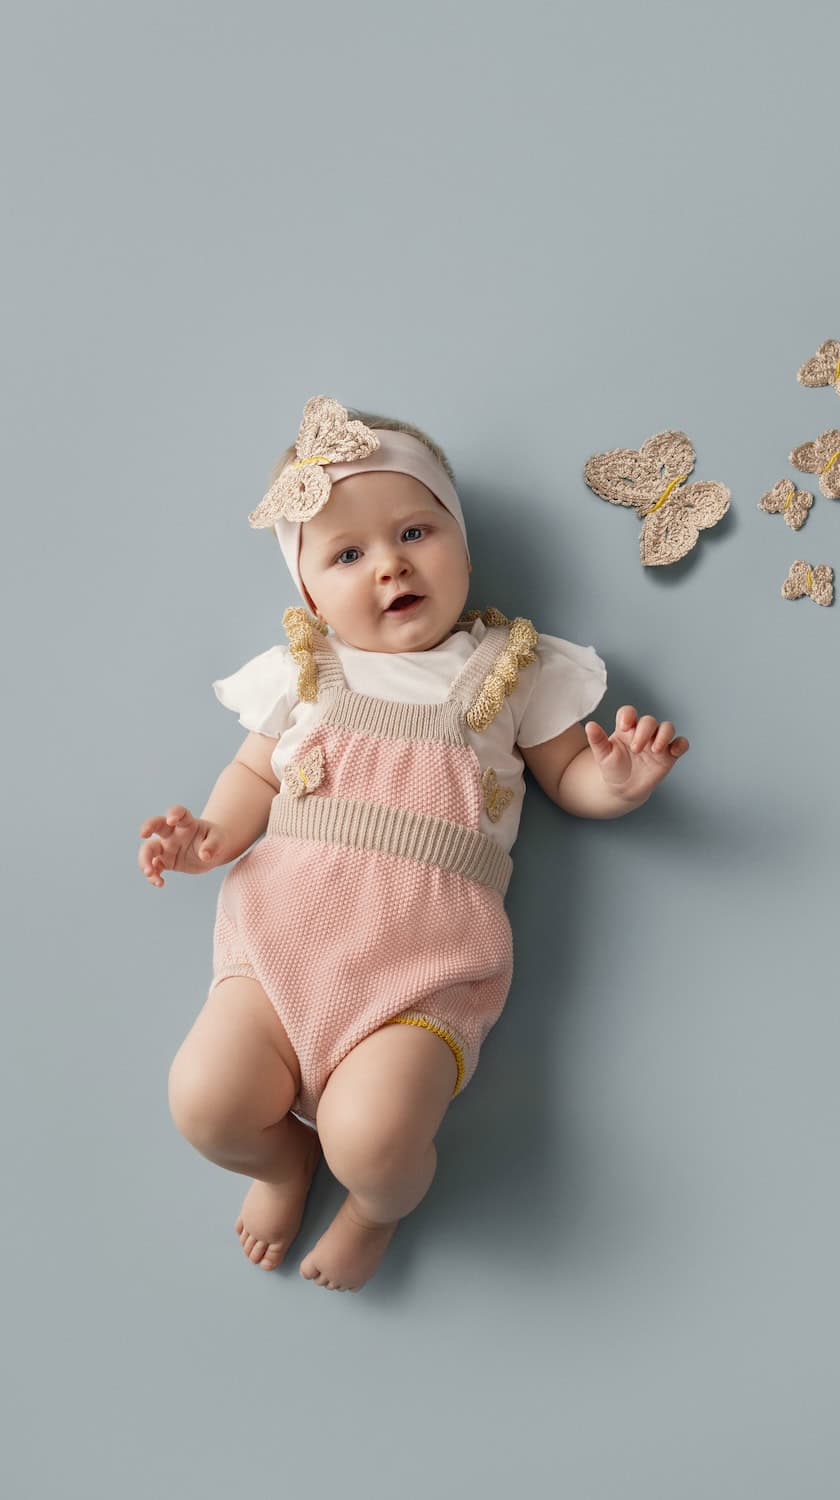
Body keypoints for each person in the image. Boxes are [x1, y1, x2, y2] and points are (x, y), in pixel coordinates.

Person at [137, 396, 690, 1292]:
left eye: (416, 532)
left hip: (418, 973)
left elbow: (565, 776)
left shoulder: (510, 668)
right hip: (278, 959)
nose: (390, 564)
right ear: (311, 592)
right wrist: (203, 840)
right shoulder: (304, 672)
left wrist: (612, 783)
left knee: (379, 1139)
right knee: (204, 1102)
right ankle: (282, 1163)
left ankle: (375, 1206)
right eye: (349, 554)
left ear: (461, 542)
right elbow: (251, 782)